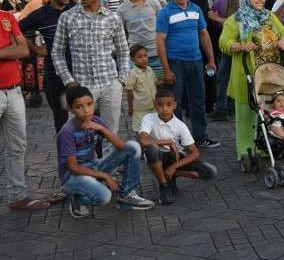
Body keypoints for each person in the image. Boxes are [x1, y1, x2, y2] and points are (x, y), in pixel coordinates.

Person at [219, 0, 284, 166]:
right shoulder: (235, 20)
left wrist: (283, 41)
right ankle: (246, 150)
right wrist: (241, 46)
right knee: (246, 115)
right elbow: (224, 43)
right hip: (247, 74)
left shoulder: (268, 16)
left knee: (267, 112)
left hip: (271, 73)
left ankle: (265, 146)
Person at [57, 85, 154, 218]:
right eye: (79, 107)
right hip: (72, 178)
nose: (86, 110)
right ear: (71, 109)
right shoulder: (67, 132)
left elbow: (121, 146)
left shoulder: (96, 121)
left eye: (89, 104)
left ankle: (126, 195)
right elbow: (73, 168)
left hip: (91, 167)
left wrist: (101, 129)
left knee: (133, 147)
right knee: (104, 197)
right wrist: (105, 176)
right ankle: (76, 200)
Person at [52, 0, 130, 136]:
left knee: (110, 133)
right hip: (82, 86)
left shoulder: (113, 18)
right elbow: (57, 52)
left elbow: (123, 51)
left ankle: (108, 162)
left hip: (110, 84)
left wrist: (121, 80)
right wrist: (69, 81)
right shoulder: (67, 17)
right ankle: (86, 163)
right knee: (81, 134)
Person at [155, 0, 218, 148]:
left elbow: (204, 35)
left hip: (196, 62)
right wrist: (166, 70)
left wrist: (211, 60)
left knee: (198, 100)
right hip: (175, 62)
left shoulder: (196, 9)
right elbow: (160, 41)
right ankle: (177, 140)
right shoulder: (165, 13)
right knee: (175, 103)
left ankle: (200, 137)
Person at [1, 7, 48, 211]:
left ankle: (17, 195)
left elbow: (23, 50)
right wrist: (9, 49)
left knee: (17, 146)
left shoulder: (7, 17)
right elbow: (17, 48)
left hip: (14, 91)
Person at [138, 89, 218, 205]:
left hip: (174, 157)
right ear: (155, 105)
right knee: (151, 149)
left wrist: (174, 167)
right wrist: (168, 142)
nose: (164, 109)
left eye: (168, 105)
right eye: (160, 105)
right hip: (156, 158)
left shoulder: (180, 125)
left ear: (174, 105)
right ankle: (164, 186)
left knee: (210, 172)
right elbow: (143, 141)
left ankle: (169, 174)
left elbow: (194, 153)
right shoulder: (149, 118)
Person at [19, 0, 75, 132]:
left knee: (90, 116)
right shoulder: (40, 15)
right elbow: (17, 31)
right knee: (61, 119)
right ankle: (66, 156)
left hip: (81, 72)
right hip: (54, 75)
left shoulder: (77, 10)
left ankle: (94, 156)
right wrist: (36, 48)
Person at [117, 0, 163, 80]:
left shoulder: (154, 4)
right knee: (141, 93)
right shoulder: (121, 11)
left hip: (157, 56)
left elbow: (162, 29)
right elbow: (122, 35)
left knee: (162, 91)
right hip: (136, 60)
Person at [208, 0, 238, 120]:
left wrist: (216, 18)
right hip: (229, 45)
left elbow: (233, 23)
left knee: (223, 77)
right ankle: (227, 108)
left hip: (232, 46)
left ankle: (222, 109)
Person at [126, 44, 157, 133]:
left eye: (145, 56)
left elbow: (155, 83)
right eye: (140, 57)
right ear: (132, 60)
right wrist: (130, 108)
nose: (144, 59)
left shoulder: (150, 70)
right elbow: (129, 91)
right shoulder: (133, 73)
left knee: (153, 128)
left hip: (153, 106)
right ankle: (140, 145)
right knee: (139, 129)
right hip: (140, 108)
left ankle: (151, 144)